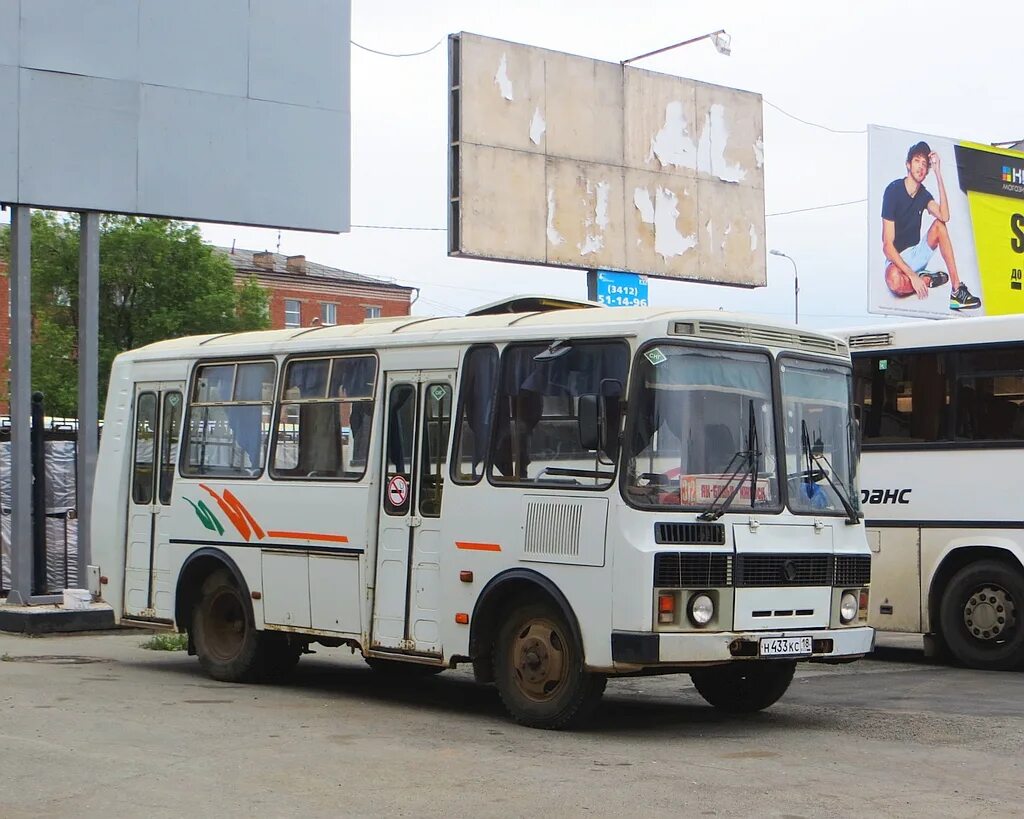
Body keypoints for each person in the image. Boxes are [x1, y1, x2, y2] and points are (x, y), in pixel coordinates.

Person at [881, 141, 981, 310]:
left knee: (939, 225)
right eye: (917, 161)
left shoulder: (924, 194)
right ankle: (927, 279)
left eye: (924, 164)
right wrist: (913, 276)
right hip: (897, 258)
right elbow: (887, 247)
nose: (920, 166)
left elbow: (945, 216)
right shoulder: (893, 190)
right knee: (893, 280)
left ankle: (957, 291)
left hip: (917, 254)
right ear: (908, 164)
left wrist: (938, 173)